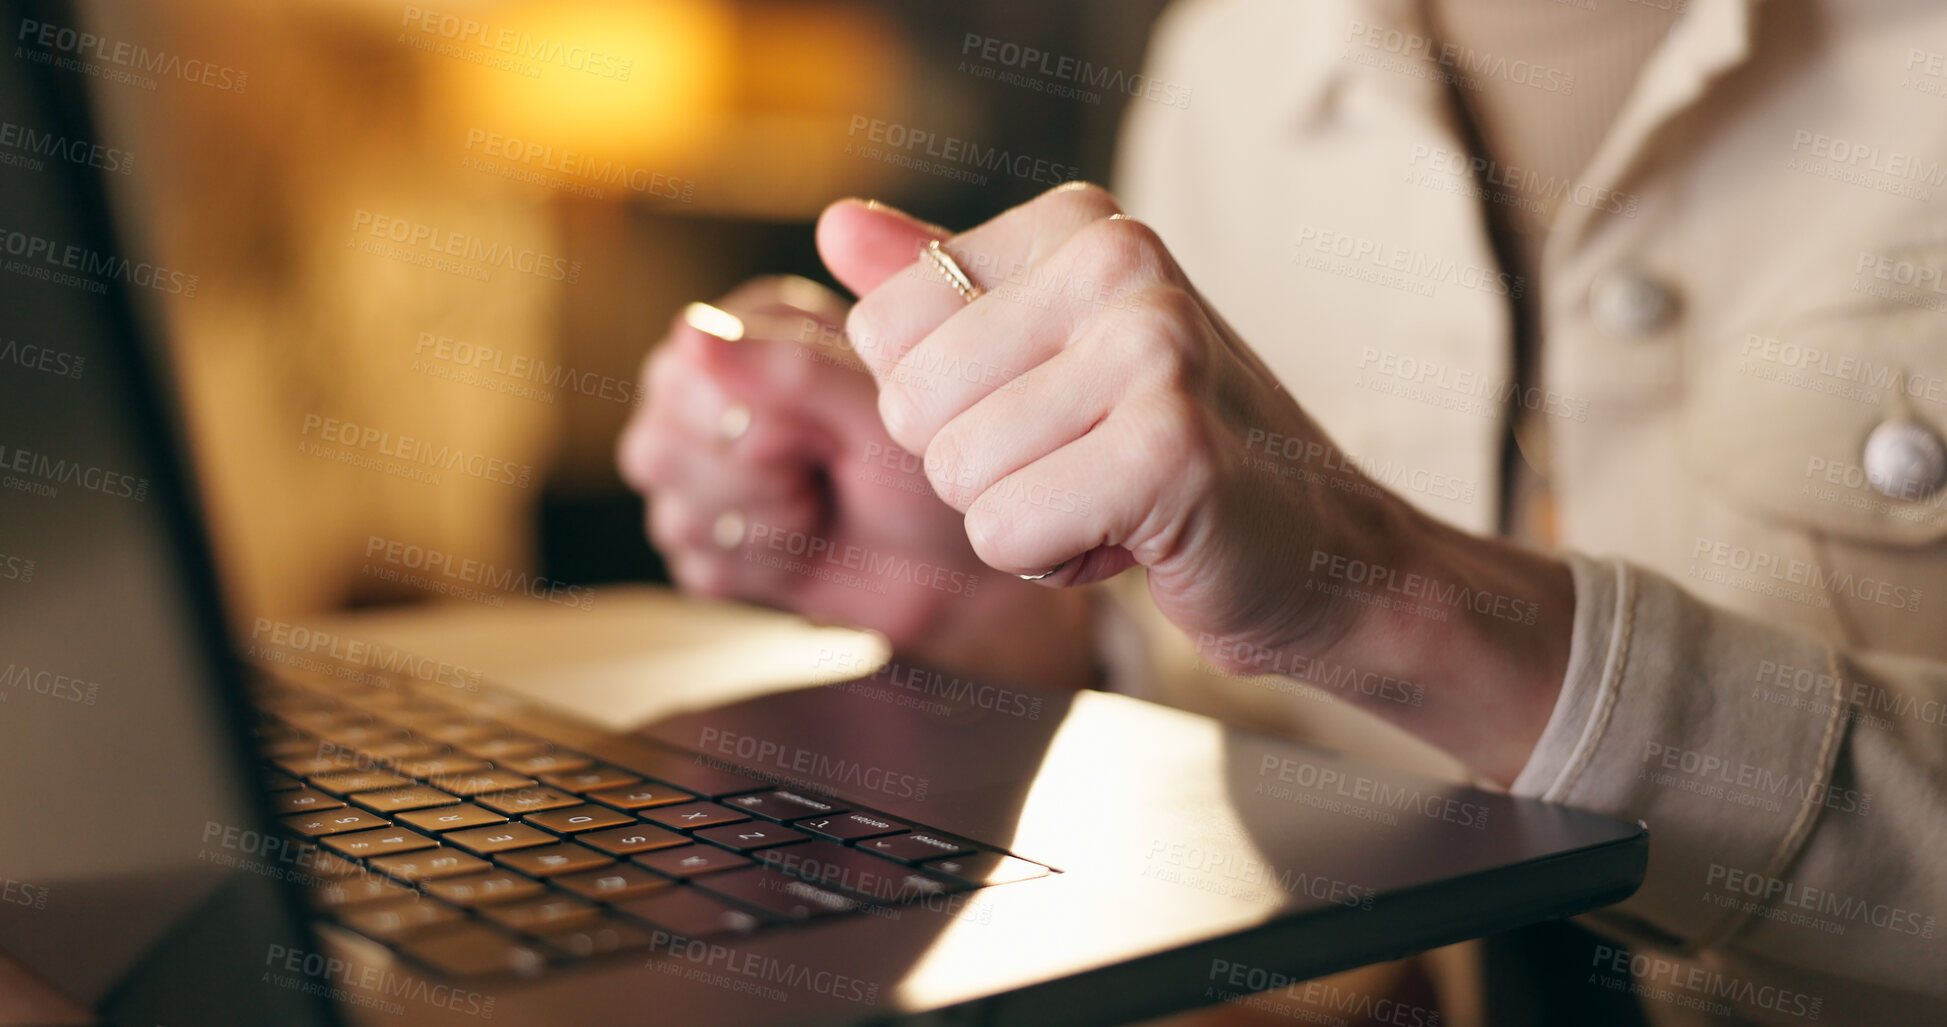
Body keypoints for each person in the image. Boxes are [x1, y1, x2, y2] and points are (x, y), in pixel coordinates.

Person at [619, 1, 1947, 1022]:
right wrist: (1003, 608)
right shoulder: (1240, 50)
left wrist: (1391, 603)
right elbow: (1239, 723)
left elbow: (1335, 597)